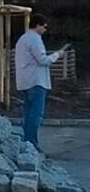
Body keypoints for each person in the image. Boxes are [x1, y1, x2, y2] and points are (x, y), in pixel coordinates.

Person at [15, 14, 70, 149]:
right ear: (37, 25)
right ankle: (31, 144)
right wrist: (57, 54)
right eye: (44, 27)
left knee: (28, 113)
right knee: (36, 113)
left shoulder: (22, 39)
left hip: (24, 81)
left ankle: (27, 143)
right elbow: (43, 60)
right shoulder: (35, 39)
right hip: (36, 81)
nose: (45, 29)